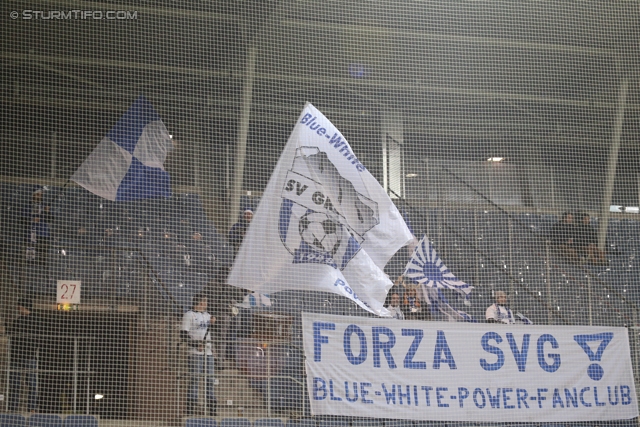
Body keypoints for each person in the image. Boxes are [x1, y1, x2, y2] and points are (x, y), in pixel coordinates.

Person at [181, 293, 217, 416]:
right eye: (205, 301)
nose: (207, 304)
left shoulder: (207, 316)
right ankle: (191, 409)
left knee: (210, 380)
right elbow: (183, 335)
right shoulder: (189, 315)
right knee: (195, 379)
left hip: (208, 352)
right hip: (196, 353)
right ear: (200, 302)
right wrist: (196, 344)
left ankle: (212, 409)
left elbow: (211, 334)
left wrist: (213, 323)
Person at [6, 298, 39, 413]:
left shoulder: (34, 321)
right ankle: (12, 408)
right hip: (16, 356)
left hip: (29, 356)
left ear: (24, 306)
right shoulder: (17, 321)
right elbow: (11, 334)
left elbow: (33, 338)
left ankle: (32, 408)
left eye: (19, 306)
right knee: (14, 382)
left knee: (31, 382)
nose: (17, 308)